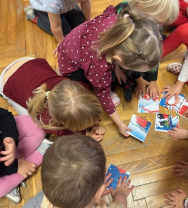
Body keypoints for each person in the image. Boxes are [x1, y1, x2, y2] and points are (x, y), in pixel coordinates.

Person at [57, 6, 162, 136]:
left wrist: (118, 68)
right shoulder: (99, 68)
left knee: (114, 76)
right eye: (133, 69)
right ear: (118, 59)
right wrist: (120, 124)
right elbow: (103, 96)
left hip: (76, 44)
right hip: (72, 68)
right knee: (102, 83)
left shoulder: (123, 24)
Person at [0, 57, 105, 141]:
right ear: (63, 123)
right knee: (32, 120)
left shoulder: (78, 88)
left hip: (29, 63)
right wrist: (86, 133)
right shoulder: (47, 122)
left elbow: (87, 107)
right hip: (6, 82)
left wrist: (95, 123)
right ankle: (3, 94)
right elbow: (65, 133)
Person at [21, 135, 134, 208]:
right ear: (98, 193)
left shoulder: (45, 198)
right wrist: (120, 194)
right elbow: (120, 207)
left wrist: (90, 192)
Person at [0, 101, 47, 203]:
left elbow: (3, 116)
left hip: (4, 136)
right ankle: (42, 151)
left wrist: (10, 137)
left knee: (38, 127)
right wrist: (15, 167)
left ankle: (11, 180)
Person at [115, 0, 179, 102]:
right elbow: (133, 57)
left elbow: (153, 52)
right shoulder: (125, 19)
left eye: (162, 23)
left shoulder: (154, 22)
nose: (159, 26)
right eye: (158, 21)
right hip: (120, 49)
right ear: (141, 7)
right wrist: (139, 80)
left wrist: (152, 80)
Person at [24, 0, 91, 44]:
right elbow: (56, 27)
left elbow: (86, 2)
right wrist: (62, 43)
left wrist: (89, 21)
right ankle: (34, 17)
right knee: (65, 31)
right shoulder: (52, 2)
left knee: (81, 23)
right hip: (44, 9)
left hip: (64, 5)